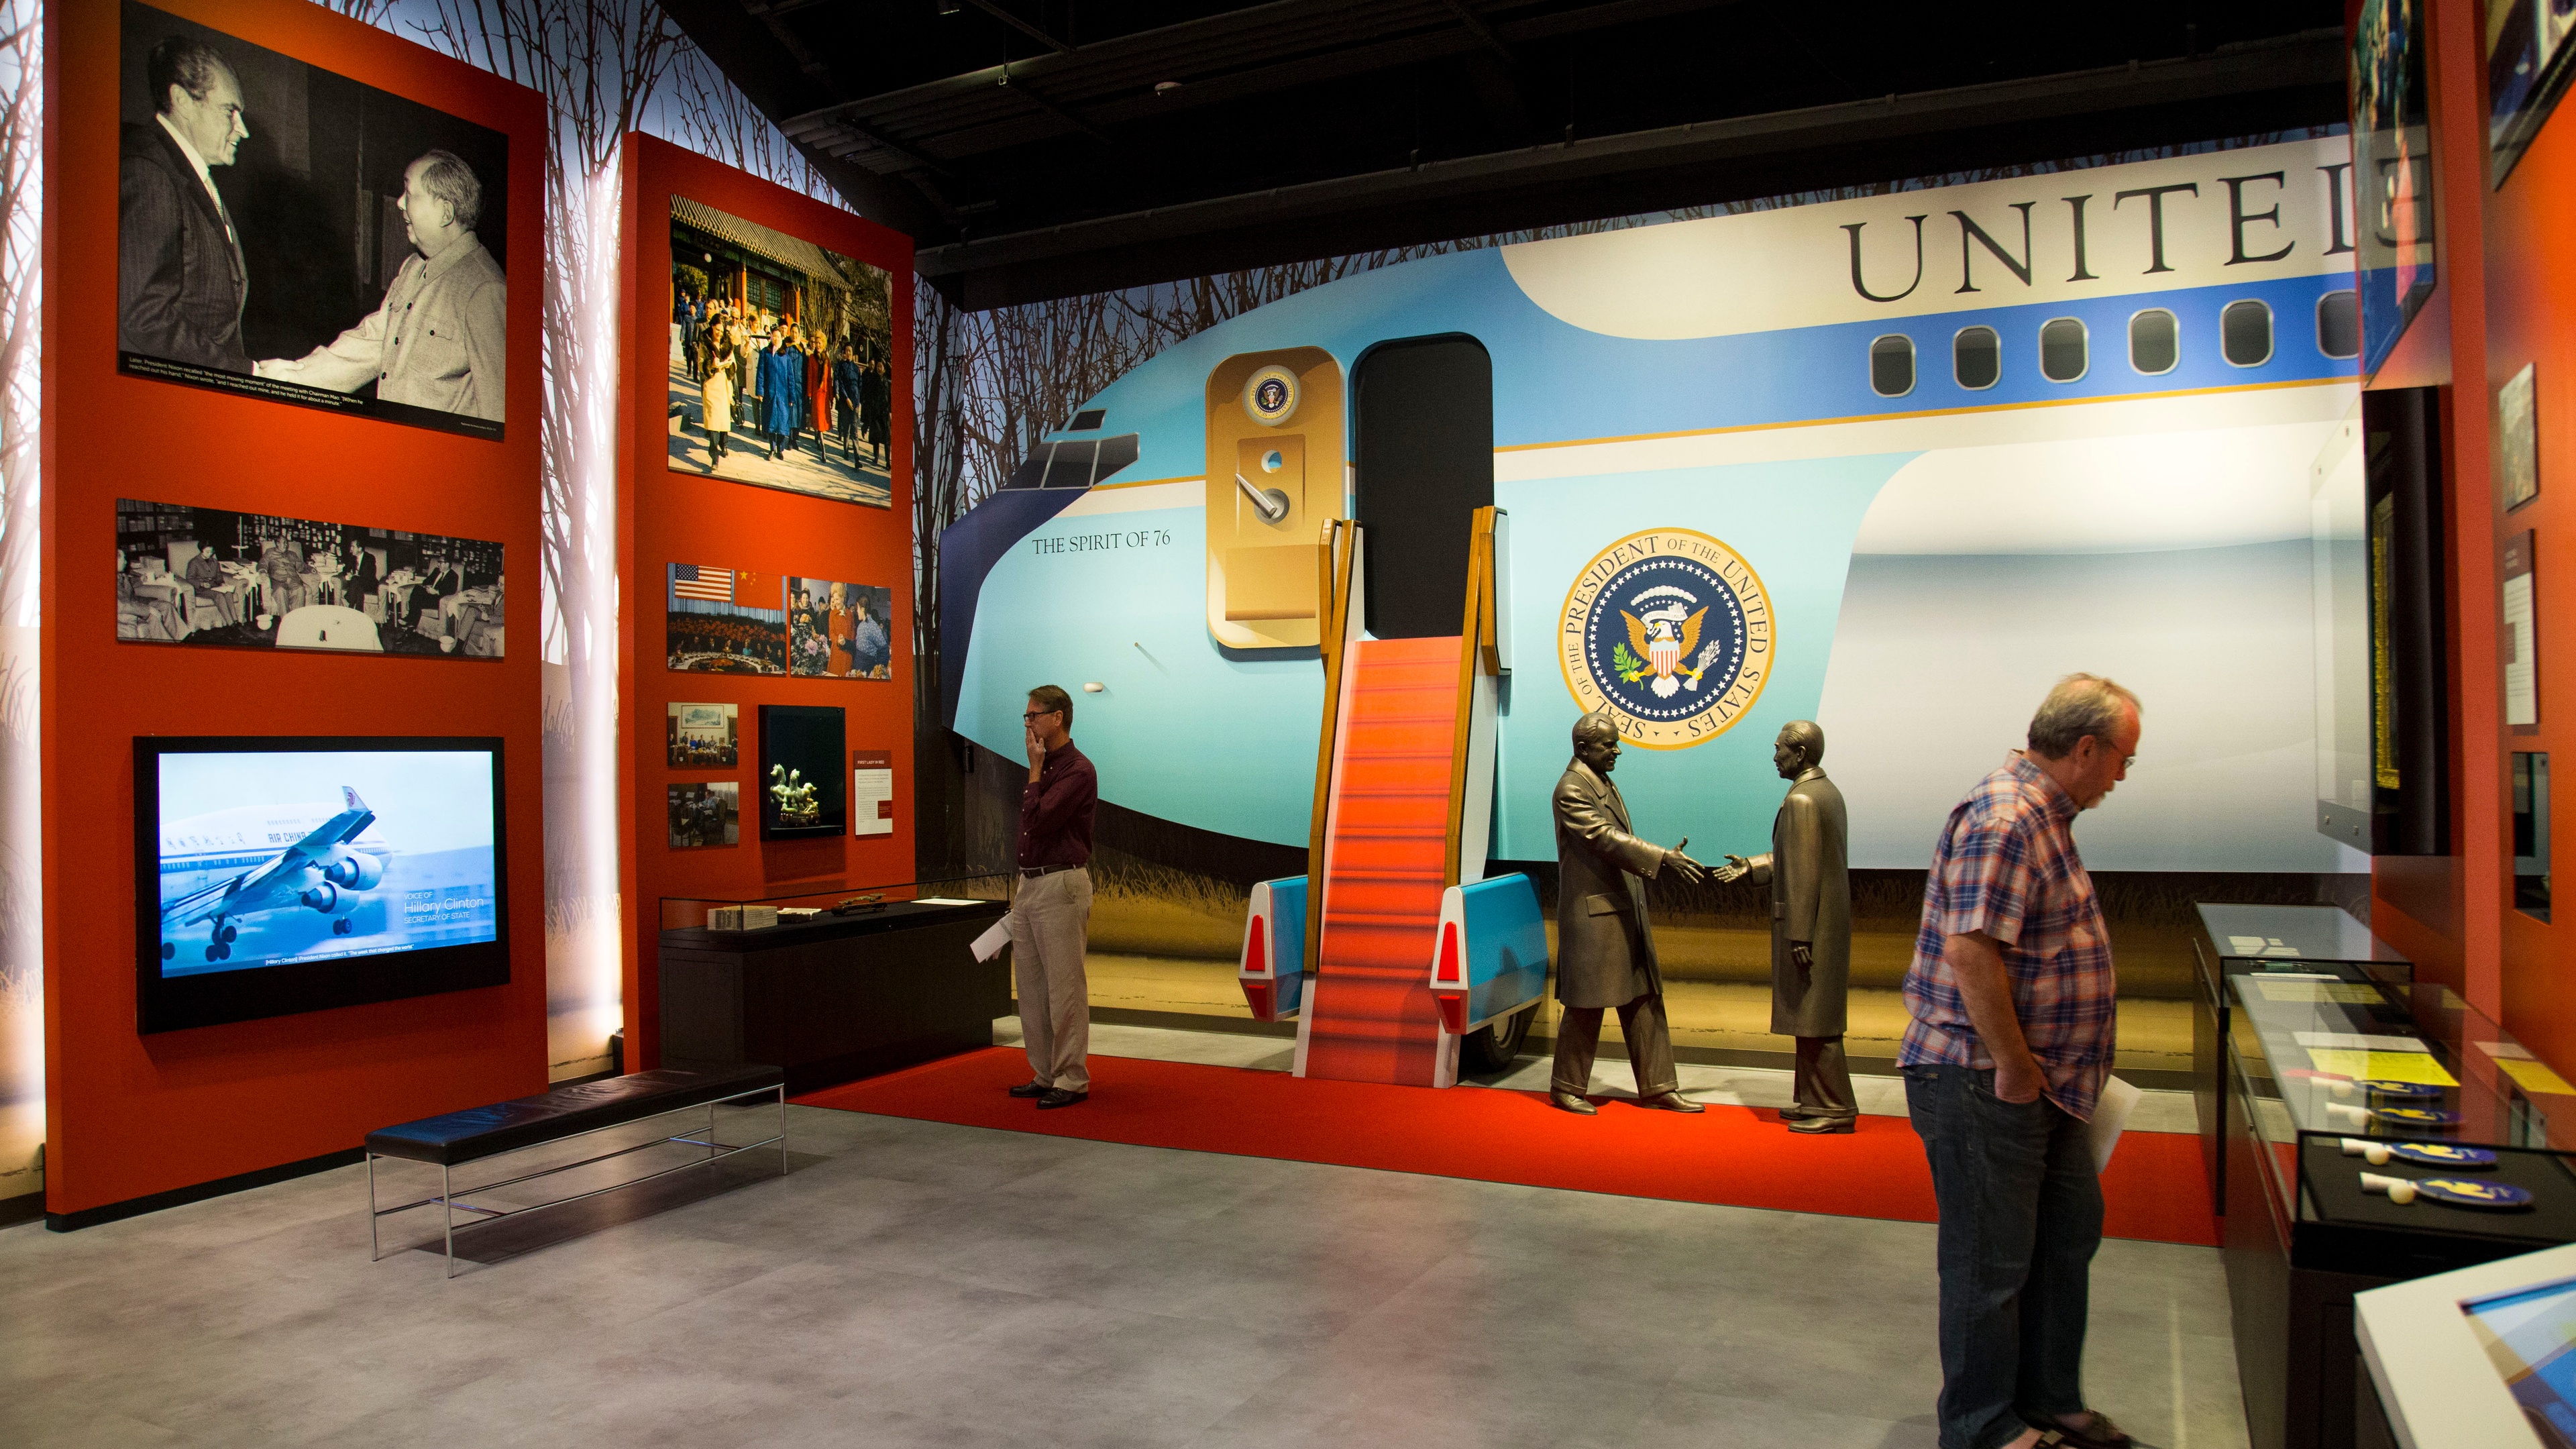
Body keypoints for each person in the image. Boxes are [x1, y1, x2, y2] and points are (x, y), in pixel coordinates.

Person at [1900, 674, 2142, 1449]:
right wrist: (2013, 1065)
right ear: (2086, 748)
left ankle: (2048, 1399)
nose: (2122, 776)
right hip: (1985, 1080)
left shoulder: (2043, 814)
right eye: (2123, 758)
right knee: (1990, 1264)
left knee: (2064, 1238)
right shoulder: (2005, 818)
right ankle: (1982, 1428)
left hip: (2045, 1087)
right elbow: (1972, 953)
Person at [256, 150, 506, 422]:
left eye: (409, 193)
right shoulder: (413, 268)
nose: (399, 203)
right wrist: (293, 377)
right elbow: (370, 343)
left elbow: (498, 415)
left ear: (445, 213)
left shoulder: (485, 289)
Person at [1548, 708, 1709, 1116]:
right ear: (1583, 749)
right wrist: (1661, 858)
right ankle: (1566, 1087)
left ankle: (1658, 1088)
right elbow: (1603, 837)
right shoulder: (1571, 788)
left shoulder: (1600, 780)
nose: (1618, 751)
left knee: (1644, 998)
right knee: (1586, 1004)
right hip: (1595, 917)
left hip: (1619, 911)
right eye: (1609, 745)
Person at [1715, 720, 1856, 1133]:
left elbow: (1805, 874)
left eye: (1779, 749)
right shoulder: (1826, 792)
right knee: (1811, 1017)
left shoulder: (1802, 800)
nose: (1774, 756)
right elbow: (1801, 855)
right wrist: (1753, 866)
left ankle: (1835, 1107)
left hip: (1810, 928)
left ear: (1800, 754)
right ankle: (1814, 1100)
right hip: (1826, 923)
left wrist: (1799, 935)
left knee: (1815, 1020)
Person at [119, 34, 251, 372]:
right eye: (230, 111)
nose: (243, 130)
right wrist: (242, 373)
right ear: (182, 101)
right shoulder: (148, 173)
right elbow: (143, 315)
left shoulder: (185, 172)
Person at [1005, 684, 1097, 1110]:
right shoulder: (1043, 767)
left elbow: (1039, 821)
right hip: (1029, 885)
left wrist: (1034, 771)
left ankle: (1072, 1078)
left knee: (1064, 990)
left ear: (1057, 718)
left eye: (1034, 715)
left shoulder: (1078, 770)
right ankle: (1045, 1073)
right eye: (1026, 716)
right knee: (1032, 988)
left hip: (1061, 884)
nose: (1028, 723)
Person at [759, 330, 802, 460]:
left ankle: (780, 449)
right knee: (771, 422)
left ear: (782, 339)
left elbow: (791, 378)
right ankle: (772, 449)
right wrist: (760, 391)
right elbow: (760, 373)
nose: (776, 339)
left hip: (783, 396)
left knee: (782, 423)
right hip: (770, 394)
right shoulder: (765, 353)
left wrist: (791, 397)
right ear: (771, 338)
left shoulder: (786, 357)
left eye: (779, 337)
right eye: (774, 336)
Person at [700, 327, 735, 470]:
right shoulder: (705, 344)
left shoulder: (727, 344)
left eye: (721, 330)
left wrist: (730, 365)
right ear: (712, 327)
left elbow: (733, 365)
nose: (719, 333)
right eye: (717, 330)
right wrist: (711, 364)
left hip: (724, 386)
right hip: (712, 385)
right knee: (714, 422)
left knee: (723, 421)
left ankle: (724, 443)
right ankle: (714, 458)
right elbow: (700, 365)